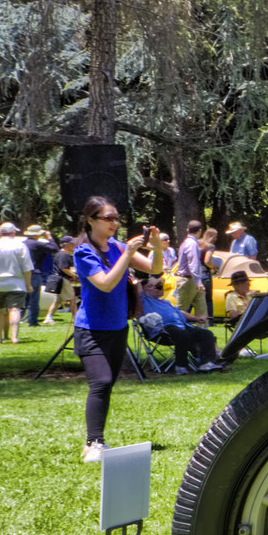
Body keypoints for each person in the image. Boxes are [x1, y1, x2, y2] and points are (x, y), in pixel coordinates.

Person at [73, 196, 164, 463]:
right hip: (91, 329)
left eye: (116, 218)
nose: (115, 223)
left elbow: (156, 268)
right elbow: (105, 283)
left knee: (107, 384)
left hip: (116, 327)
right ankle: (93, 443)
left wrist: (156, 246)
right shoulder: (83, 252)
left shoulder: (116, 246)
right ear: (91, 220)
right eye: (108, 218)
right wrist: (126, 255)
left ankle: (96, 440)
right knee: (100, 382)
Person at [138, 276, 220, 371]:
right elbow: (137, 286)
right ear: (144, 289)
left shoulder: (165, 302)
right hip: (161, 329)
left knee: (206, 334)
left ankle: (206, 363)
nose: (156, 288)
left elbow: (179, 312)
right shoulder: (142, 300)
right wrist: (146, 281)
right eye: (150, 286)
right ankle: (181, 365)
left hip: (181, 326)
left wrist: (196, 318)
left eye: (158, 286)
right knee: (182, 335)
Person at [0, 221, 29, 344]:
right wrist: (28, 284)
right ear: (13, 232)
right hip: (16, 283)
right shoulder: (20, 245)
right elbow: (27, 268)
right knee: (14, 310)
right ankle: (14, 337)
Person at [173, 219, 208, 324]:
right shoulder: (192, 244)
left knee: (202, 309)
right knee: (180, 310)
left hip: (191, 280)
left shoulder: (186, 243)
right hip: (189, 280)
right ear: (200, 231)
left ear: (188, 229)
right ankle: (174, 330)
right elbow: (193, 264)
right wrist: (198, 282)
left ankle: (203, 335)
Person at [25, 224, 57, 325]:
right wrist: (49, 238)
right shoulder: (37, 244)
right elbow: (55, 248)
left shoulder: (23, 243)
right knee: (34, 298)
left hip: (23, 273)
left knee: (23, 298)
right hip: (35, 272)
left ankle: (20, 317)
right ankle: (32, 321)